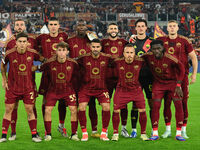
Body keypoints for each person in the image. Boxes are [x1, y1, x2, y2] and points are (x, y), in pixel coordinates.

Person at [157, 20, 198, 139]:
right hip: (166, 78)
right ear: (167, 28)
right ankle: (168, 129)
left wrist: (194, 74)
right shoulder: (161, 40)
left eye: (174, 26)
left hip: (182, 77)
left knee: (183, 103)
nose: (172, 28)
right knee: (167, 103)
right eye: (170, 26)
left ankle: (183, 129)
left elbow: (194, 58)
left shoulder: (184, 41)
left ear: (177, 28)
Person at [0, 32, 44, 143]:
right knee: (9, 109)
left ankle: (34, 135)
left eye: (24, 42)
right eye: (20, 41)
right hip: (12, 88)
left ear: (28, 43)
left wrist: (37, 67)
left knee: (30, 110)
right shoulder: (9, 53)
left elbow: (44, 61)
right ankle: (4, 136)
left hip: (28, 88)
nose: (22, 44)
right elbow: (2, 65)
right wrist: (4, 79)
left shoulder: (33, 52)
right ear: (16, 43)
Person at [142, 40, 186, 141]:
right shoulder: (148, 56)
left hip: (172, 83)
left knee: (178, 105)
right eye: (154, 49)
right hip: (158, 84)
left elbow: (182, 69)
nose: (156, 51)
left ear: (163, 48)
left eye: (159, 48)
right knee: (155, 106)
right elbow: (138, 59)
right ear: (151, 49)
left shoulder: (170, 58)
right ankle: (155, 133)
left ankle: (178, 133)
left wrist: (179, 85)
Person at [36, 42, 79, 141]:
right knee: (47, 110)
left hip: (68, 90)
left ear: (67, 52)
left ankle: (74, 134)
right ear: (56, 51)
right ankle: (48, 134)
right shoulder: (49, 63)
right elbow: (40, 69)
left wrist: (76, 91)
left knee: (74, 110)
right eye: (59, 50)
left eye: (63, 50)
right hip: (53, 91)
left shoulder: (73, 63)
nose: (61, 53)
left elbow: (77, 77)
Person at [36, 17, 68, 137]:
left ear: (58, 26)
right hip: (47, 75)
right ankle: (47, 129)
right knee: (45, 102)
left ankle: (61, 126)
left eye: (55, 24)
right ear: (48, 26)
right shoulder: (42, 38)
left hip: (62, 73)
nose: (53, 26)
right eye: (51, 24)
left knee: (63, 101)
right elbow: (34, 50)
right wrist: (42, 59)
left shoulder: (64, 36)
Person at [67, 20, 100, 138]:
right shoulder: (70, 41)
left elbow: (98, 49)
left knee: (92, 104)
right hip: (74, 78)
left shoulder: (91, 40)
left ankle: (94, 130)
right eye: (79, 25)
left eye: (83, 25)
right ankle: (74, 131)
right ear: (76, 27)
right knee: (75, 106)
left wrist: (93, 37)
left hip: (89, 77)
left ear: (87, 26)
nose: (81, 27)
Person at [111, 44, 148, 141]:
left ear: (134, 54)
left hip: (136, 90)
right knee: (116, 111)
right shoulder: (117, 62)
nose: (129, 55)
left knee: (142, 110)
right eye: (127, 52)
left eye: (131, 53)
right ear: (123, 54)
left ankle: (143, 133)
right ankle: (115, 133)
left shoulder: (140, 61)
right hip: (121, 90)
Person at [77, 39, 112, 141]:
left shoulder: (107, 58)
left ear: (101, 48)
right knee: (82, 107)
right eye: (93, 47)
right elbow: (72, 63)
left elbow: (119, 62)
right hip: (86, 88)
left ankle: (104, 133)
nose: (95, 49)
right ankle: (84, 133)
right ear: (90, 47)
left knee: (106, 107)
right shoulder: (83, 58)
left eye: (97, 47)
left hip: (101, 88)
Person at [101, 23, 129, 137]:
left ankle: (123, 128)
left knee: (123, 104)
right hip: (106, 77)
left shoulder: (124, 42)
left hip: (120, 77)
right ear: (108, 30)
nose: (113, 30)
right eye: (111, 28)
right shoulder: (102, 43)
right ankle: (105, 129)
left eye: (115, 28)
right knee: (106, 104)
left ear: (118, 30)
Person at [129, 19, 154, 138]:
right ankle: (134, 130)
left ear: (146, 28)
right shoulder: (130, 42)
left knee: (152, 103)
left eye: (142, 26)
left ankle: (154, 130)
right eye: (138, 26)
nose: (140, 28)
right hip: (136, 78)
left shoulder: (152, 42)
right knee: (135, 104)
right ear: (135, 28)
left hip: (150, 77)